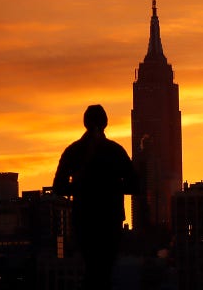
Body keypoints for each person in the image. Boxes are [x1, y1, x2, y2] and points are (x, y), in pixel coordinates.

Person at [53, 104, 138, 290]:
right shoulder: (115, 151)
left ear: (85, 123)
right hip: (109, 219)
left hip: (85, 219)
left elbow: (58, 187)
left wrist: (81, 188)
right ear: (105, 124)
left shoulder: (73, 151)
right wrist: (112, 187)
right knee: (104, 271)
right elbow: (134, 184)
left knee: (92, 269)